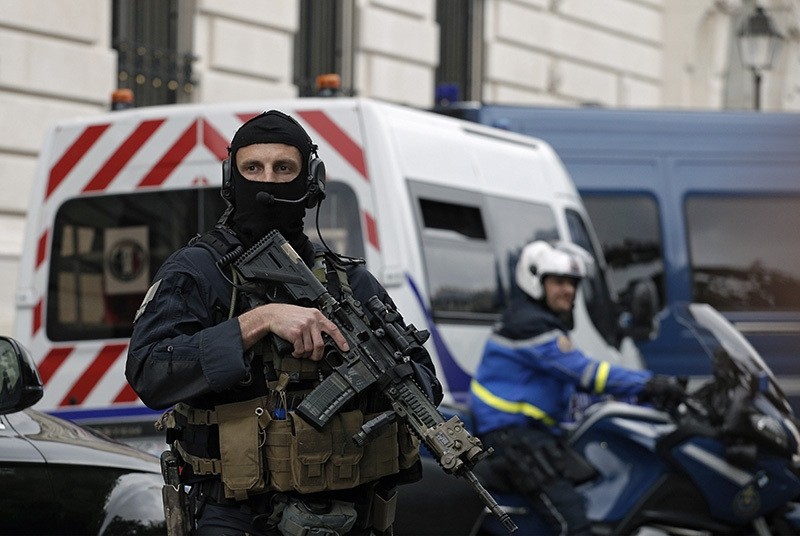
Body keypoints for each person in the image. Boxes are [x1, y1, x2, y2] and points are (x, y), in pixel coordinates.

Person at [126, 110, 442, 536]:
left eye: (283, 168)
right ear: (230, 180)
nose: (268, 182)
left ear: (310, 181)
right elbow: (150, 371)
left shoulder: (349, 282)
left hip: (350, 512)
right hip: (237, 514)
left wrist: (367, 369)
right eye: (252, 168)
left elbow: (424, 379)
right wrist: (259, 321)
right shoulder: (199, 272)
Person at [469, 240, 684, 536]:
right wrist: (648, 383)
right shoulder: (531, 326)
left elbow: (572, 382)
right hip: (514, 437)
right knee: (573, 523)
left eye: (572, 283)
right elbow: (587, 374)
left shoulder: (534, 320)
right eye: (559, 282)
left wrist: (640, 396)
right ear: (535, 280)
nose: (568, 290)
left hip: (524, 432)